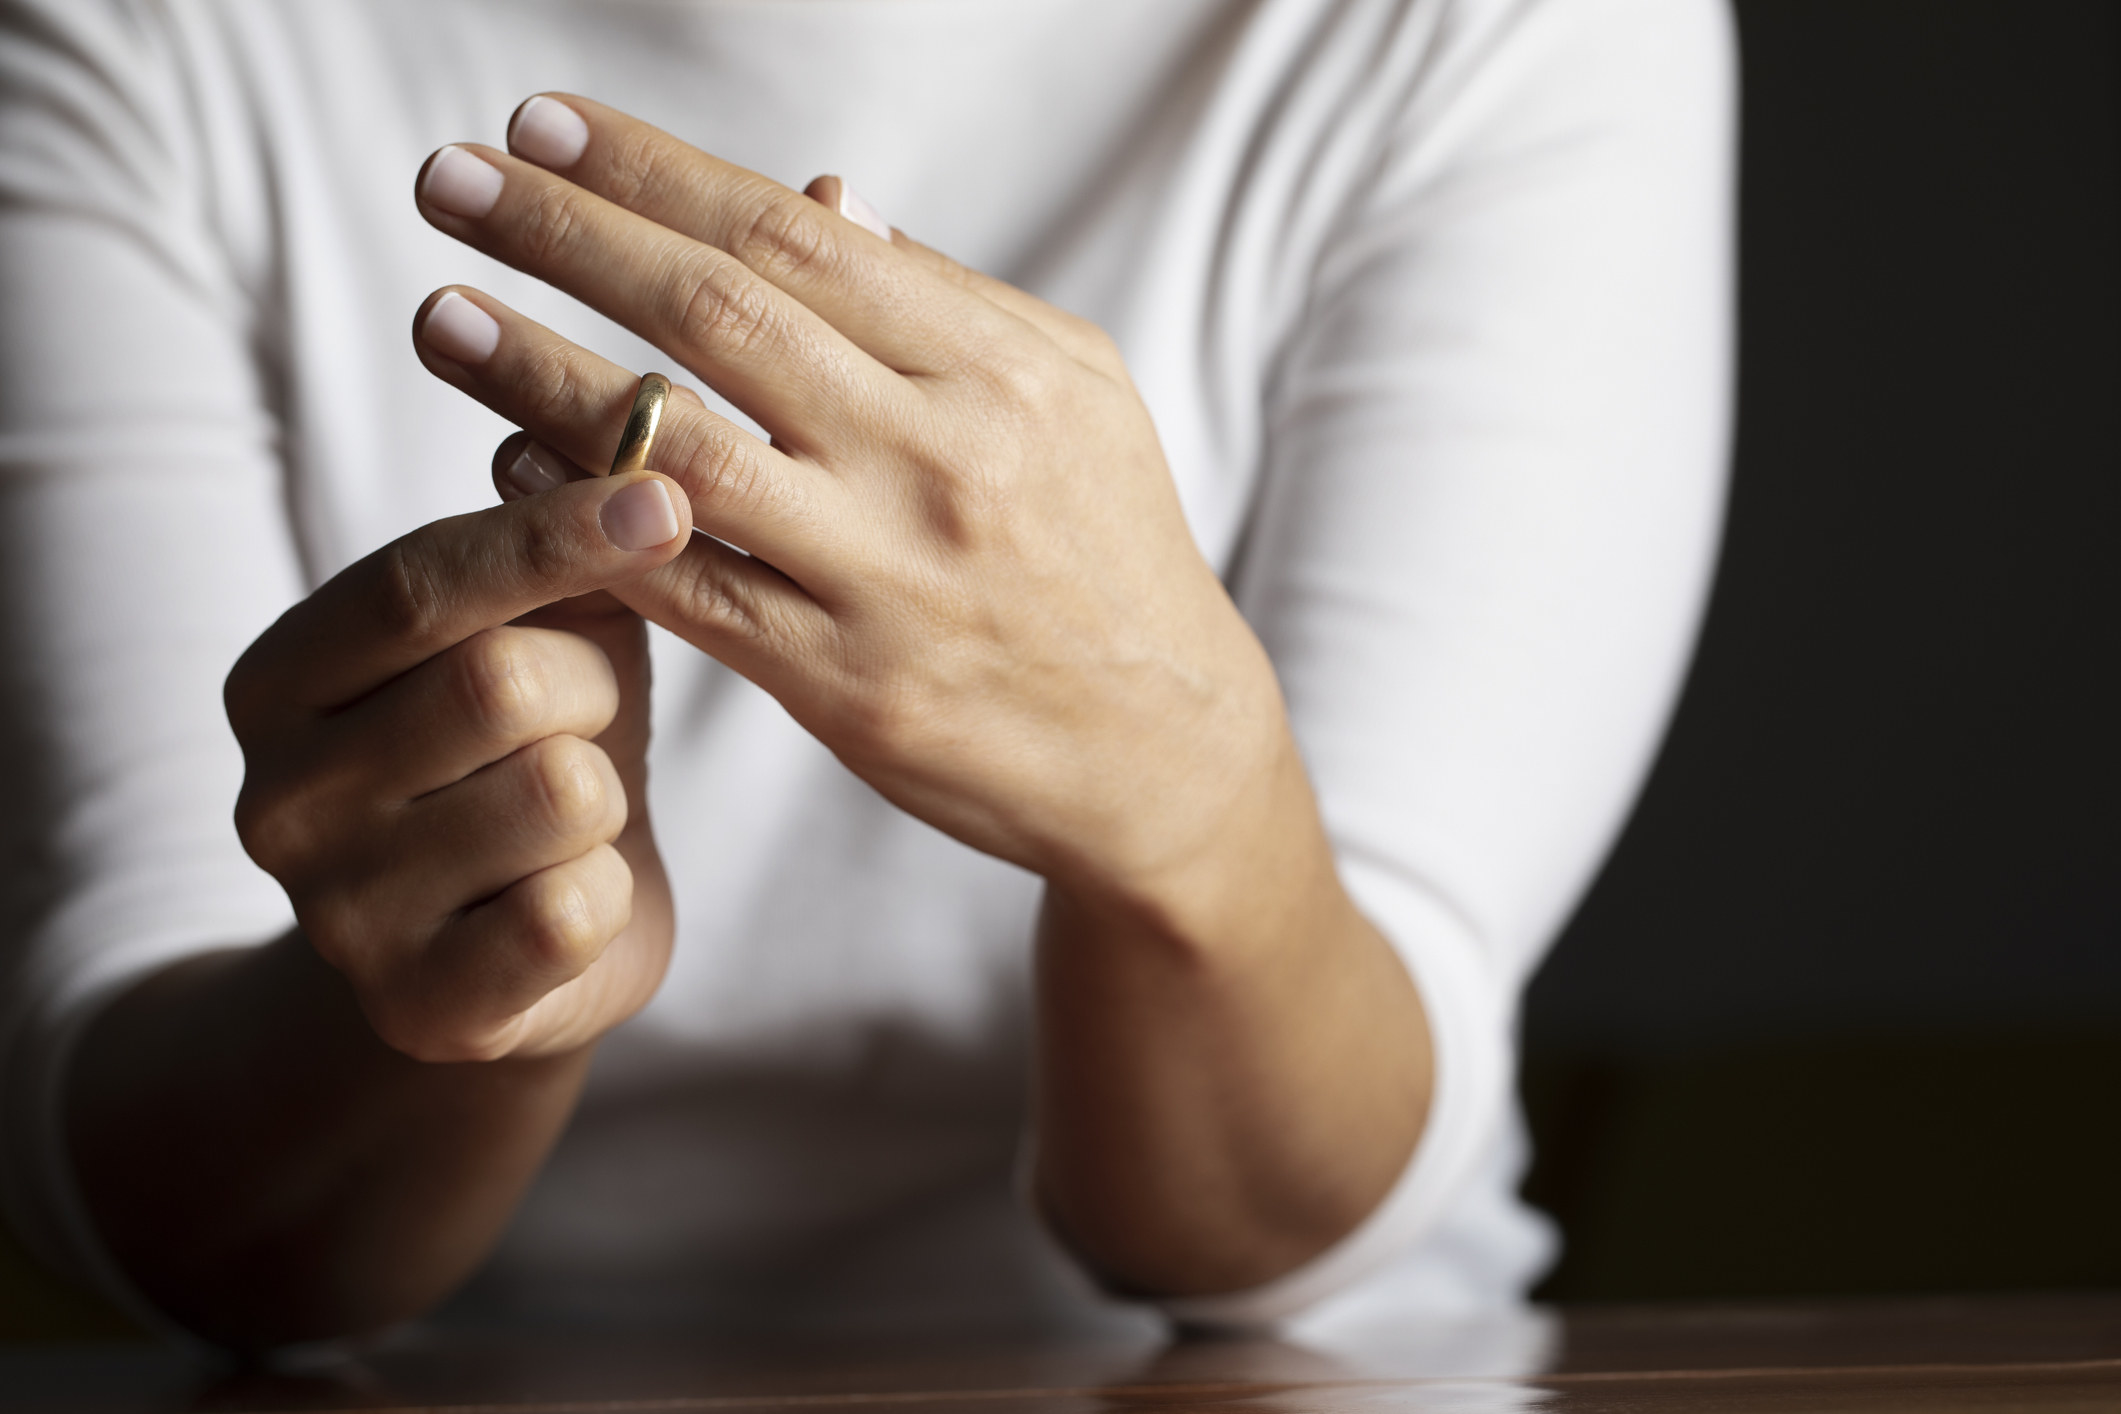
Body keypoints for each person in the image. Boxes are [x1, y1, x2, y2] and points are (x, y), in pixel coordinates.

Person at [0, 0, 1733, 1349]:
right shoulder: (143, 40)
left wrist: (1193, 814)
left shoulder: (1485, 33)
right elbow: (183, 1200)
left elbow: (1269, 1224)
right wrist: (500, 974)